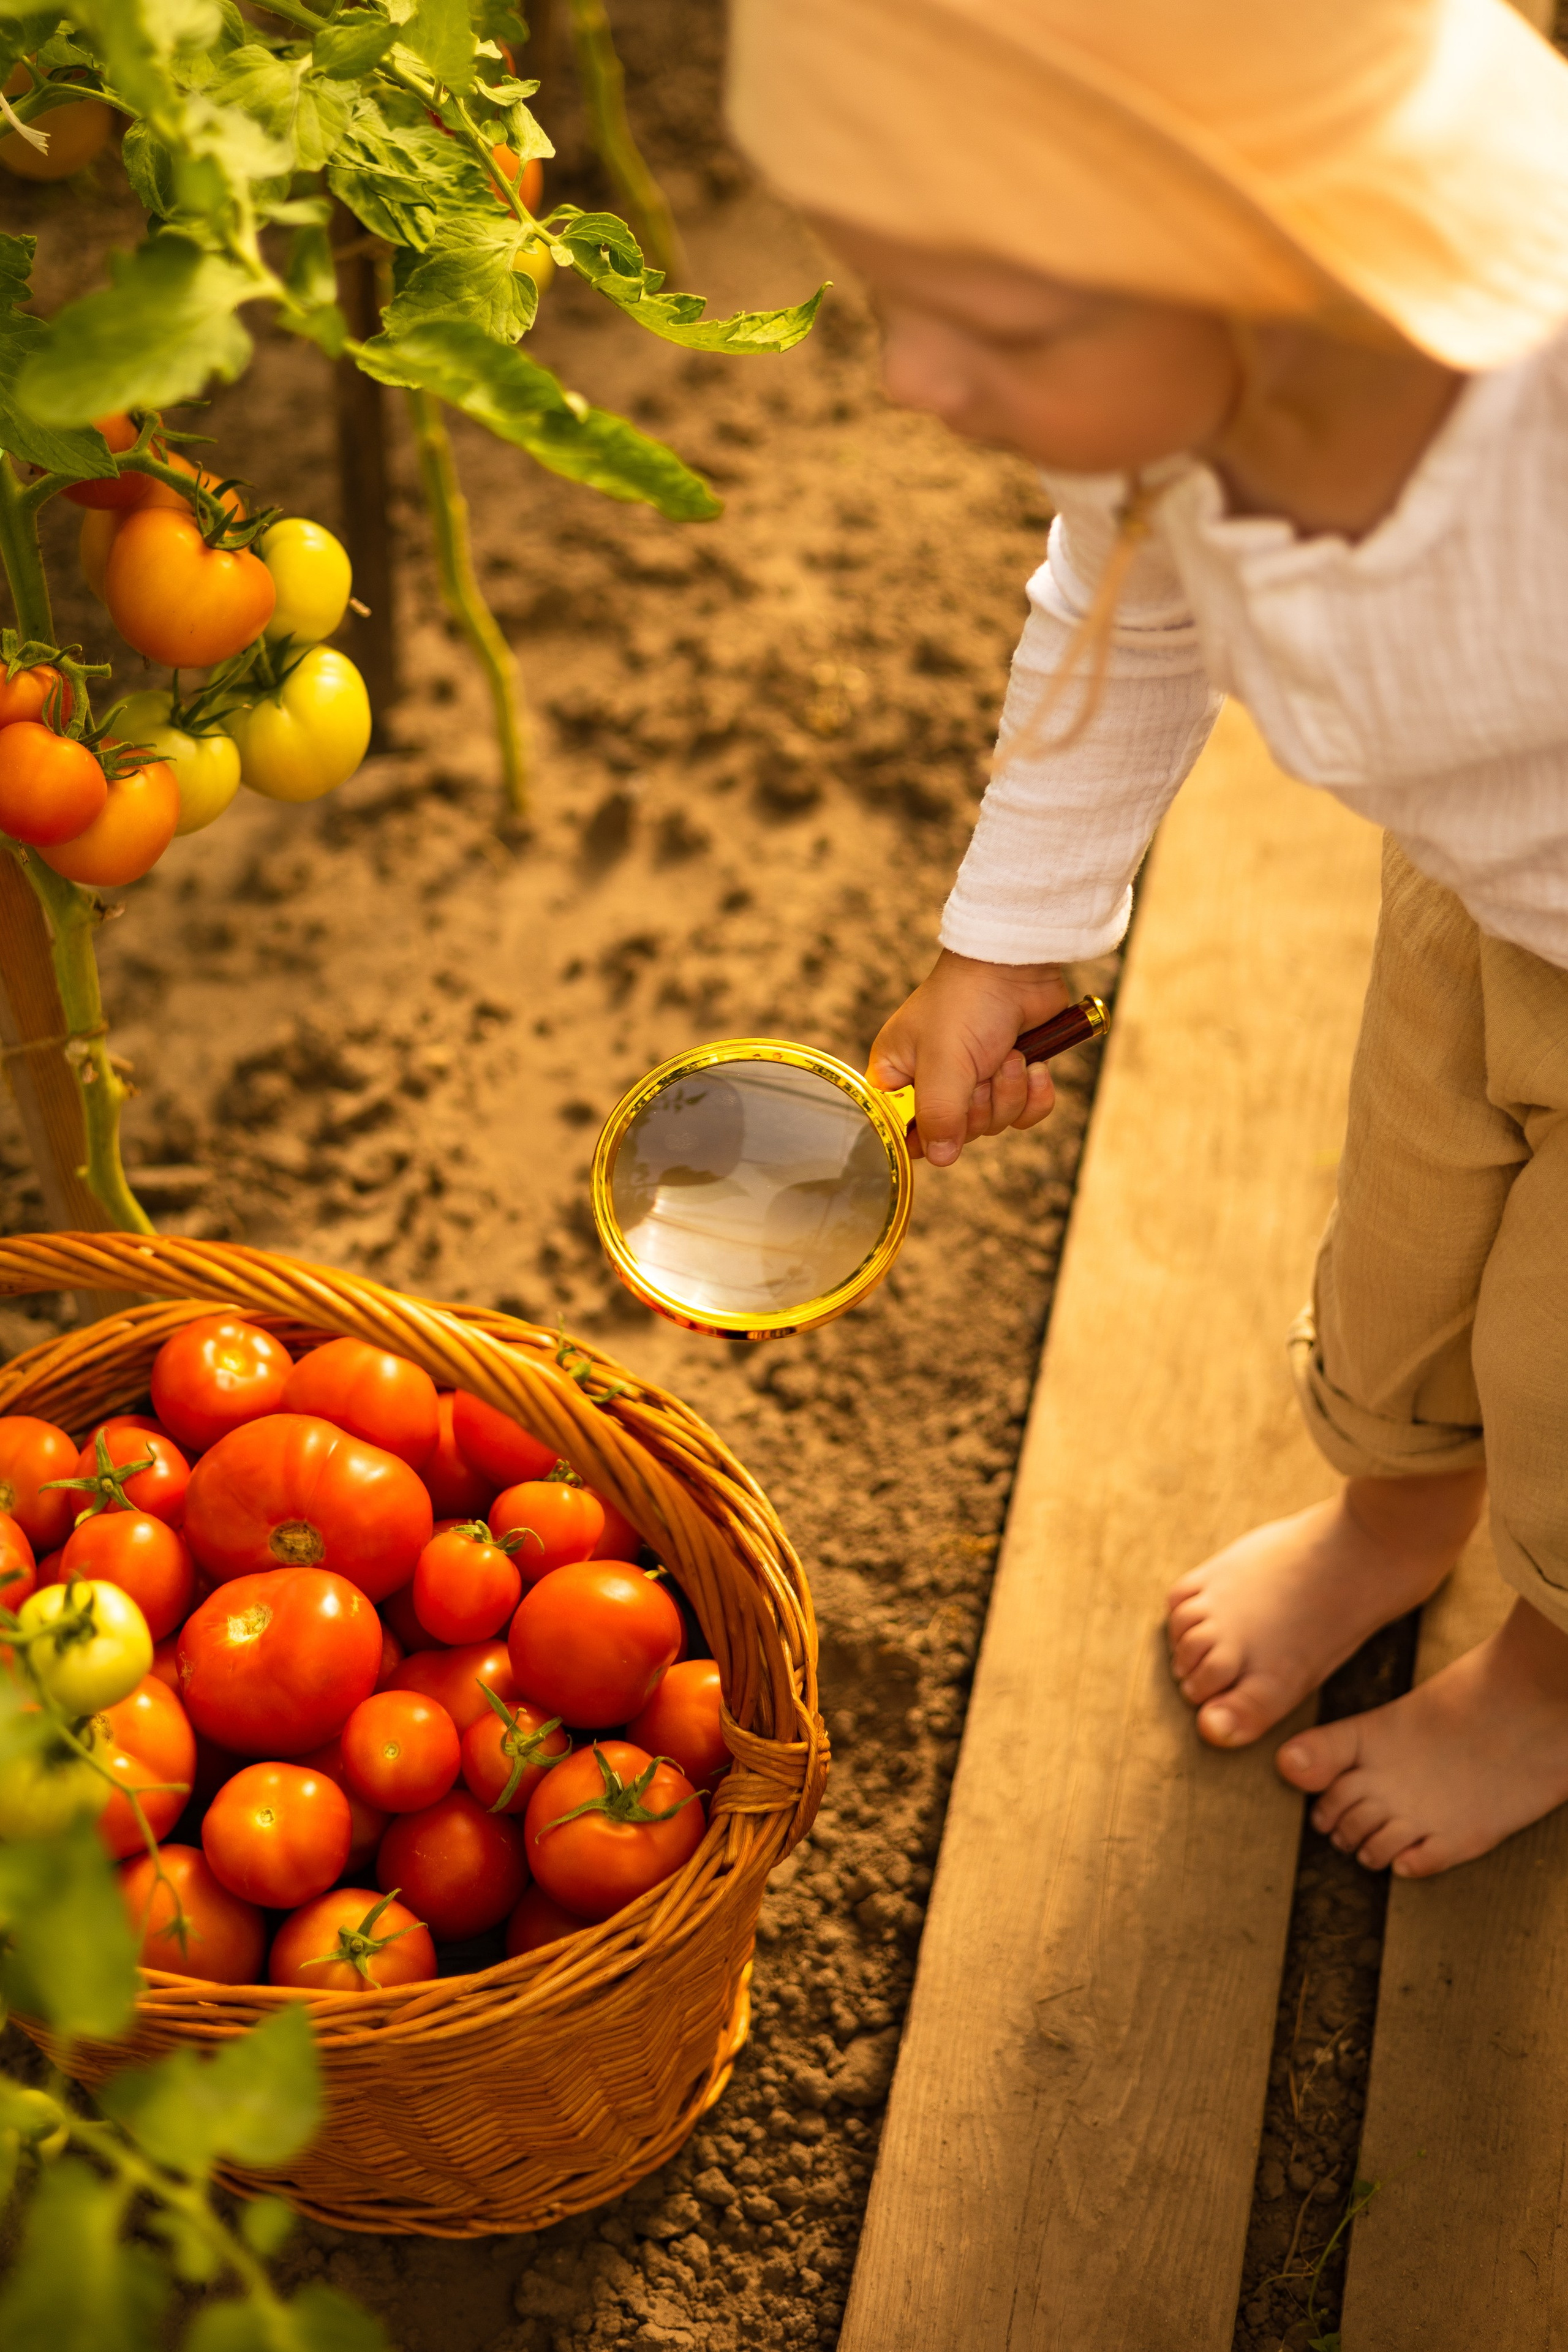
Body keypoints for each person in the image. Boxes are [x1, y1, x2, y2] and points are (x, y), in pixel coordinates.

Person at [726, 0, 1568, 1877]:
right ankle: (1397, 1510)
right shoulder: (1193, 387)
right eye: (886, 299)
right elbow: (1126, 595)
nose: (910, 384)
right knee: (1411, 1245)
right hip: (1481, 894)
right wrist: (1010, 933)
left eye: (999, 331)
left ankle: (1547, 1680)